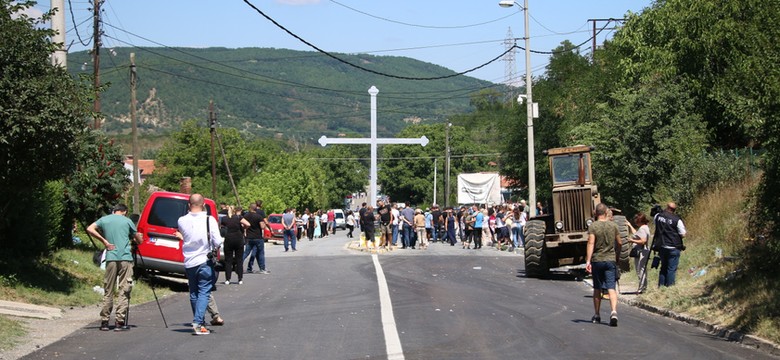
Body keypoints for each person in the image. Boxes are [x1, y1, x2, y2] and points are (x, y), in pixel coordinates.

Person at [87, 204, 142, 331]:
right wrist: (138, 237)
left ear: (114, 211)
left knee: (109, 289)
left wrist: (104, 241)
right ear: (124, 212)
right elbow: (138, 240)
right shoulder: (128, 221)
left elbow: (90, 228)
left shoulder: (105, 219)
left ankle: (105, 321)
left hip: (111, 257)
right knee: (124, 288)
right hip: (125, 258)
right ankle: (119, 321)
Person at [176, 194, 224, 335]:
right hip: (204, 260)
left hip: (189, 261)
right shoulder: (209, 220)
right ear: (203, 204)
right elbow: (217, 241)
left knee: (194, 293)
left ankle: (201, 322)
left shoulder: (181, 220)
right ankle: (198, 322)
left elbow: (186, 237)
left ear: (189, 204)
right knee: (204, 292)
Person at [585, 203, 621, 327]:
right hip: (610, 260)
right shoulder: (614, 225)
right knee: (611, 287)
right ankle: (614, 312)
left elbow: (591, 243)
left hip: (597, 260)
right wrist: (617, 255)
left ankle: (597, 314)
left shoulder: (593, 226)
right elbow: (620, 242)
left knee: (597, 288)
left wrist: (588, 260)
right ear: (606, 213)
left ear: (595, 213)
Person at [654, 202, 687, 287]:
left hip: (661, 246)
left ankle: (661, 287)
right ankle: (670, 288)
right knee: (671, 269)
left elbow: (656, 226)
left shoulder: (658, 216)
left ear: (667, 207)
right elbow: (683, 234)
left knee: (663, 268)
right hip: (673, 247)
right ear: (674, 210)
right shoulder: (677, 220)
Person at [221, 206, 250, 285]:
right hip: (238, 239)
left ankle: (228, 279)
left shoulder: (224, 219)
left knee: (228, 260)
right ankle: (240, 279)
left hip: (228, 239)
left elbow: (221, 227)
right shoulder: (239, 217)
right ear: (235, 211)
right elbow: (248, 224)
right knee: (239, 260)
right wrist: (244, 228)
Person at [627, 212, 651, 293]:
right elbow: (637, 234)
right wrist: (630, 225)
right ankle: (643, 287)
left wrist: (631, 240)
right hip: (643, 251)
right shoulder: (643, 227)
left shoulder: (643, 228)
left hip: (642, 252)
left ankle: (642, 288)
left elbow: (643, 241)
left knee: (640, 270)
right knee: (641, 269)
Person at [243, 202, 269, 274]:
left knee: (246, 252)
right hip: (258, 237)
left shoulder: (246, 216)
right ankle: (262, 268)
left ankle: (238, 264)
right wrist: (263, 225)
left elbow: (243, 225)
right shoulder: (258, 216)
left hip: (249, 237)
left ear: (249, 208)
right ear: (255, 208)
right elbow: (262, 227)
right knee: (260, 253)